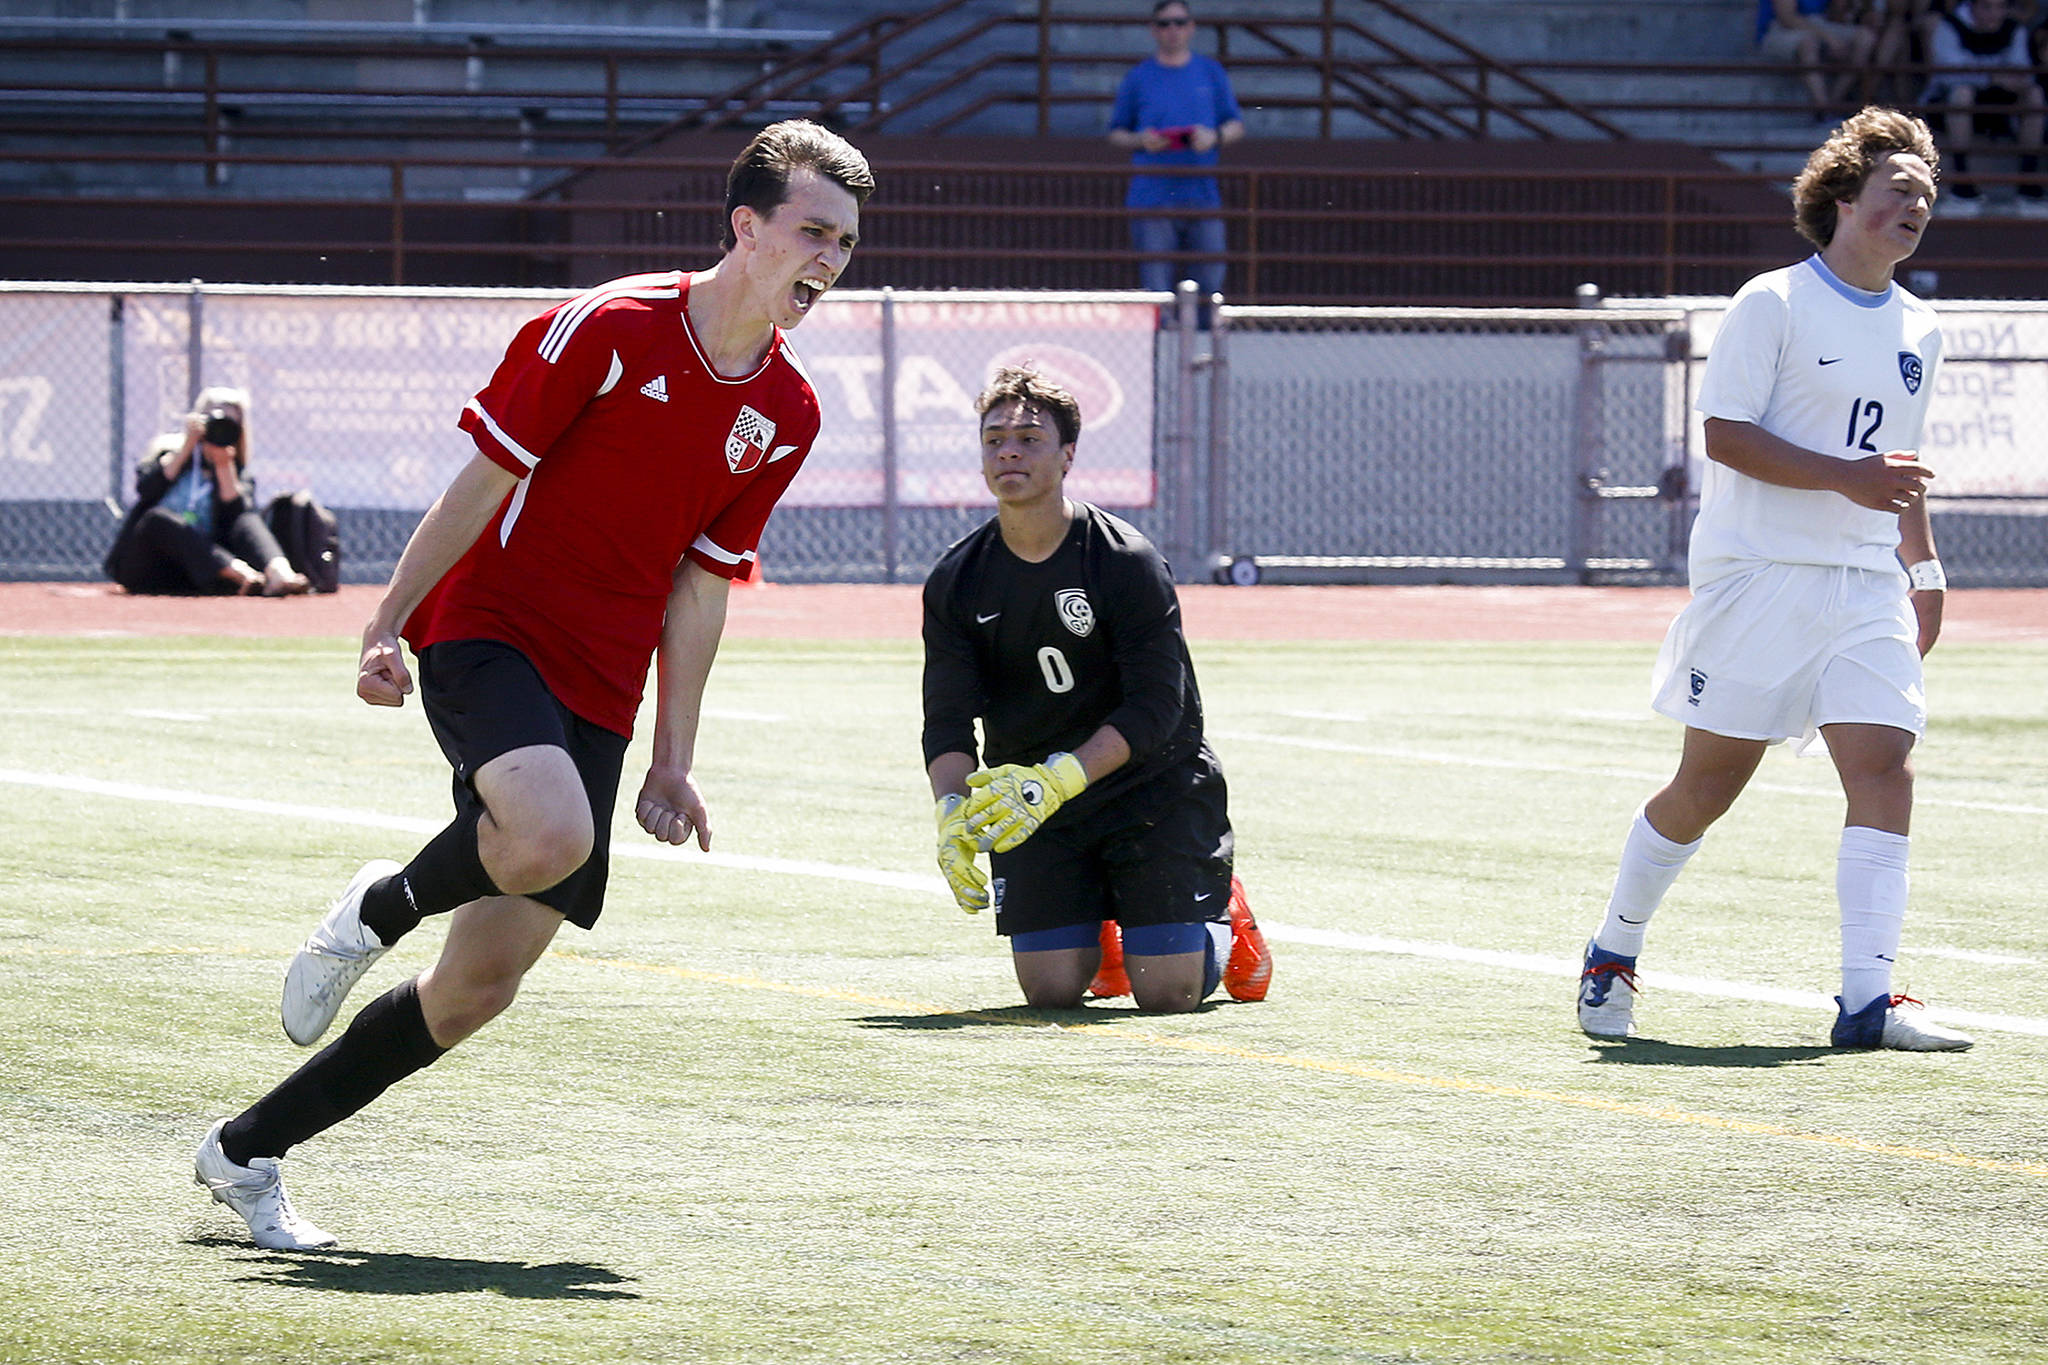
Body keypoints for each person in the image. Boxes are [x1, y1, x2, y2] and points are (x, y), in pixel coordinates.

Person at [192, 119, 875, 1251]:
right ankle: (383, 905)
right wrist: (386, 622)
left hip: (602, 688)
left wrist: (670, 760)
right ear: (745, 226)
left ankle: (246, 1154)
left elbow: (699, 593)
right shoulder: (605, 327)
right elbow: (482, 478)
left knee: (476, 990)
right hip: (491, 631)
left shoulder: (788, 414)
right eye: (812, 231)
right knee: (548, 832)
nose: (829, 261)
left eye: (846, 243)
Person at [1576, 107, 1971, 1053]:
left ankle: (1868, 1000)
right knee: (1706, 788)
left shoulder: (1924, 325)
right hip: (1759, 582)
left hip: (1866, 584)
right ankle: (1614, 950)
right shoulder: (1774, 302)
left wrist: (1923, 561)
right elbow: (1728, 435)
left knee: (1884, 766)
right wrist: (1849, 478)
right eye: (1898, 190)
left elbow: (1898, 461)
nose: (1916, 206)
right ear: (1843, 198)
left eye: (1927, 193)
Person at [921, 363, 1271, 1014]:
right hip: (1038, 802)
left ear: (1068, 454)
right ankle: (1110, 924)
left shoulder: (1123, 558)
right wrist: (950, 815)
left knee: (1168, 992)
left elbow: (1157, 708)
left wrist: (1060, 777)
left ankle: (1227, 915)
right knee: (1051, 988)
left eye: (1028, 438)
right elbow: (946, 720)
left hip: (1152, 787)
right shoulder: (957, 580)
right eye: (994, 439)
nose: (1009, 452)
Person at [104, 386, 311, 597]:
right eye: (214, 421)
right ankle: (241, 573)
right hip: (149, 565)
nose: (219, 429)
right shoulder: (168, 452)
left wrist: (223, 466)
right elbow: (147, 489)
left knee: (248, 519)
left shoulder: (235, 469)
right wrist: (188, 446)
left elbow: (237, 518)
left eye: (229, 424)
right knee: (157, 519)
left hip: (197, 573)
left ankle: (280, 573)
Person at [1107, 0, 1244, 304]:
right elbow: (1116, 132)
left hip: (1202, 190)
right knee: (1156, 283)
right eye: (1165, 24)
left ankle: (1207, 345)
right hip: (1153, 193)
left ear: (1191, 27)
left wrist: (1213, 137)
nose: (1173, 30)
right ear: (1153, 29)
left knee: (1210, 278)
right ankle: (1163, 344)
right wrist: (1142, 140)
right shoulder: (1138, 77)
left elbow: (1236, 124)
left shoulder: (1210, 72)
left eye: (1180, 23)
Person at [1920, 0, 2046, 211]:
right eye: (1987, 7)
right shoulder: (1949, 26)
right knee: (1962, 94)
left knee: (2034, 94)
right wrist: (1991, 78)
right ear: (1973, 7)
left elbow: (2021, 68)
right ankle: (1962, 178)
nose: (1994, 14)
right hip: (1948, 101)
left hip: (1999, 101)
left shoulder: (2013, 29)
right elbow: (1949, 73)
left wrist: (2010, 80)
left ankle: (2029, 178)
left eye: (2000, 7)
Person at [1759, 0, 1878, 118]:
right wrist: (1830, 40)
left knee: (1865, 39)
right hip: (1781, 30)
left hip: (1821, 24)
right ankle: (1823, 107)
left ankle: (1835, 100)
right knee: (1808, 43)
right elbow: (1787, 18)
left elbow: (1836, 15)